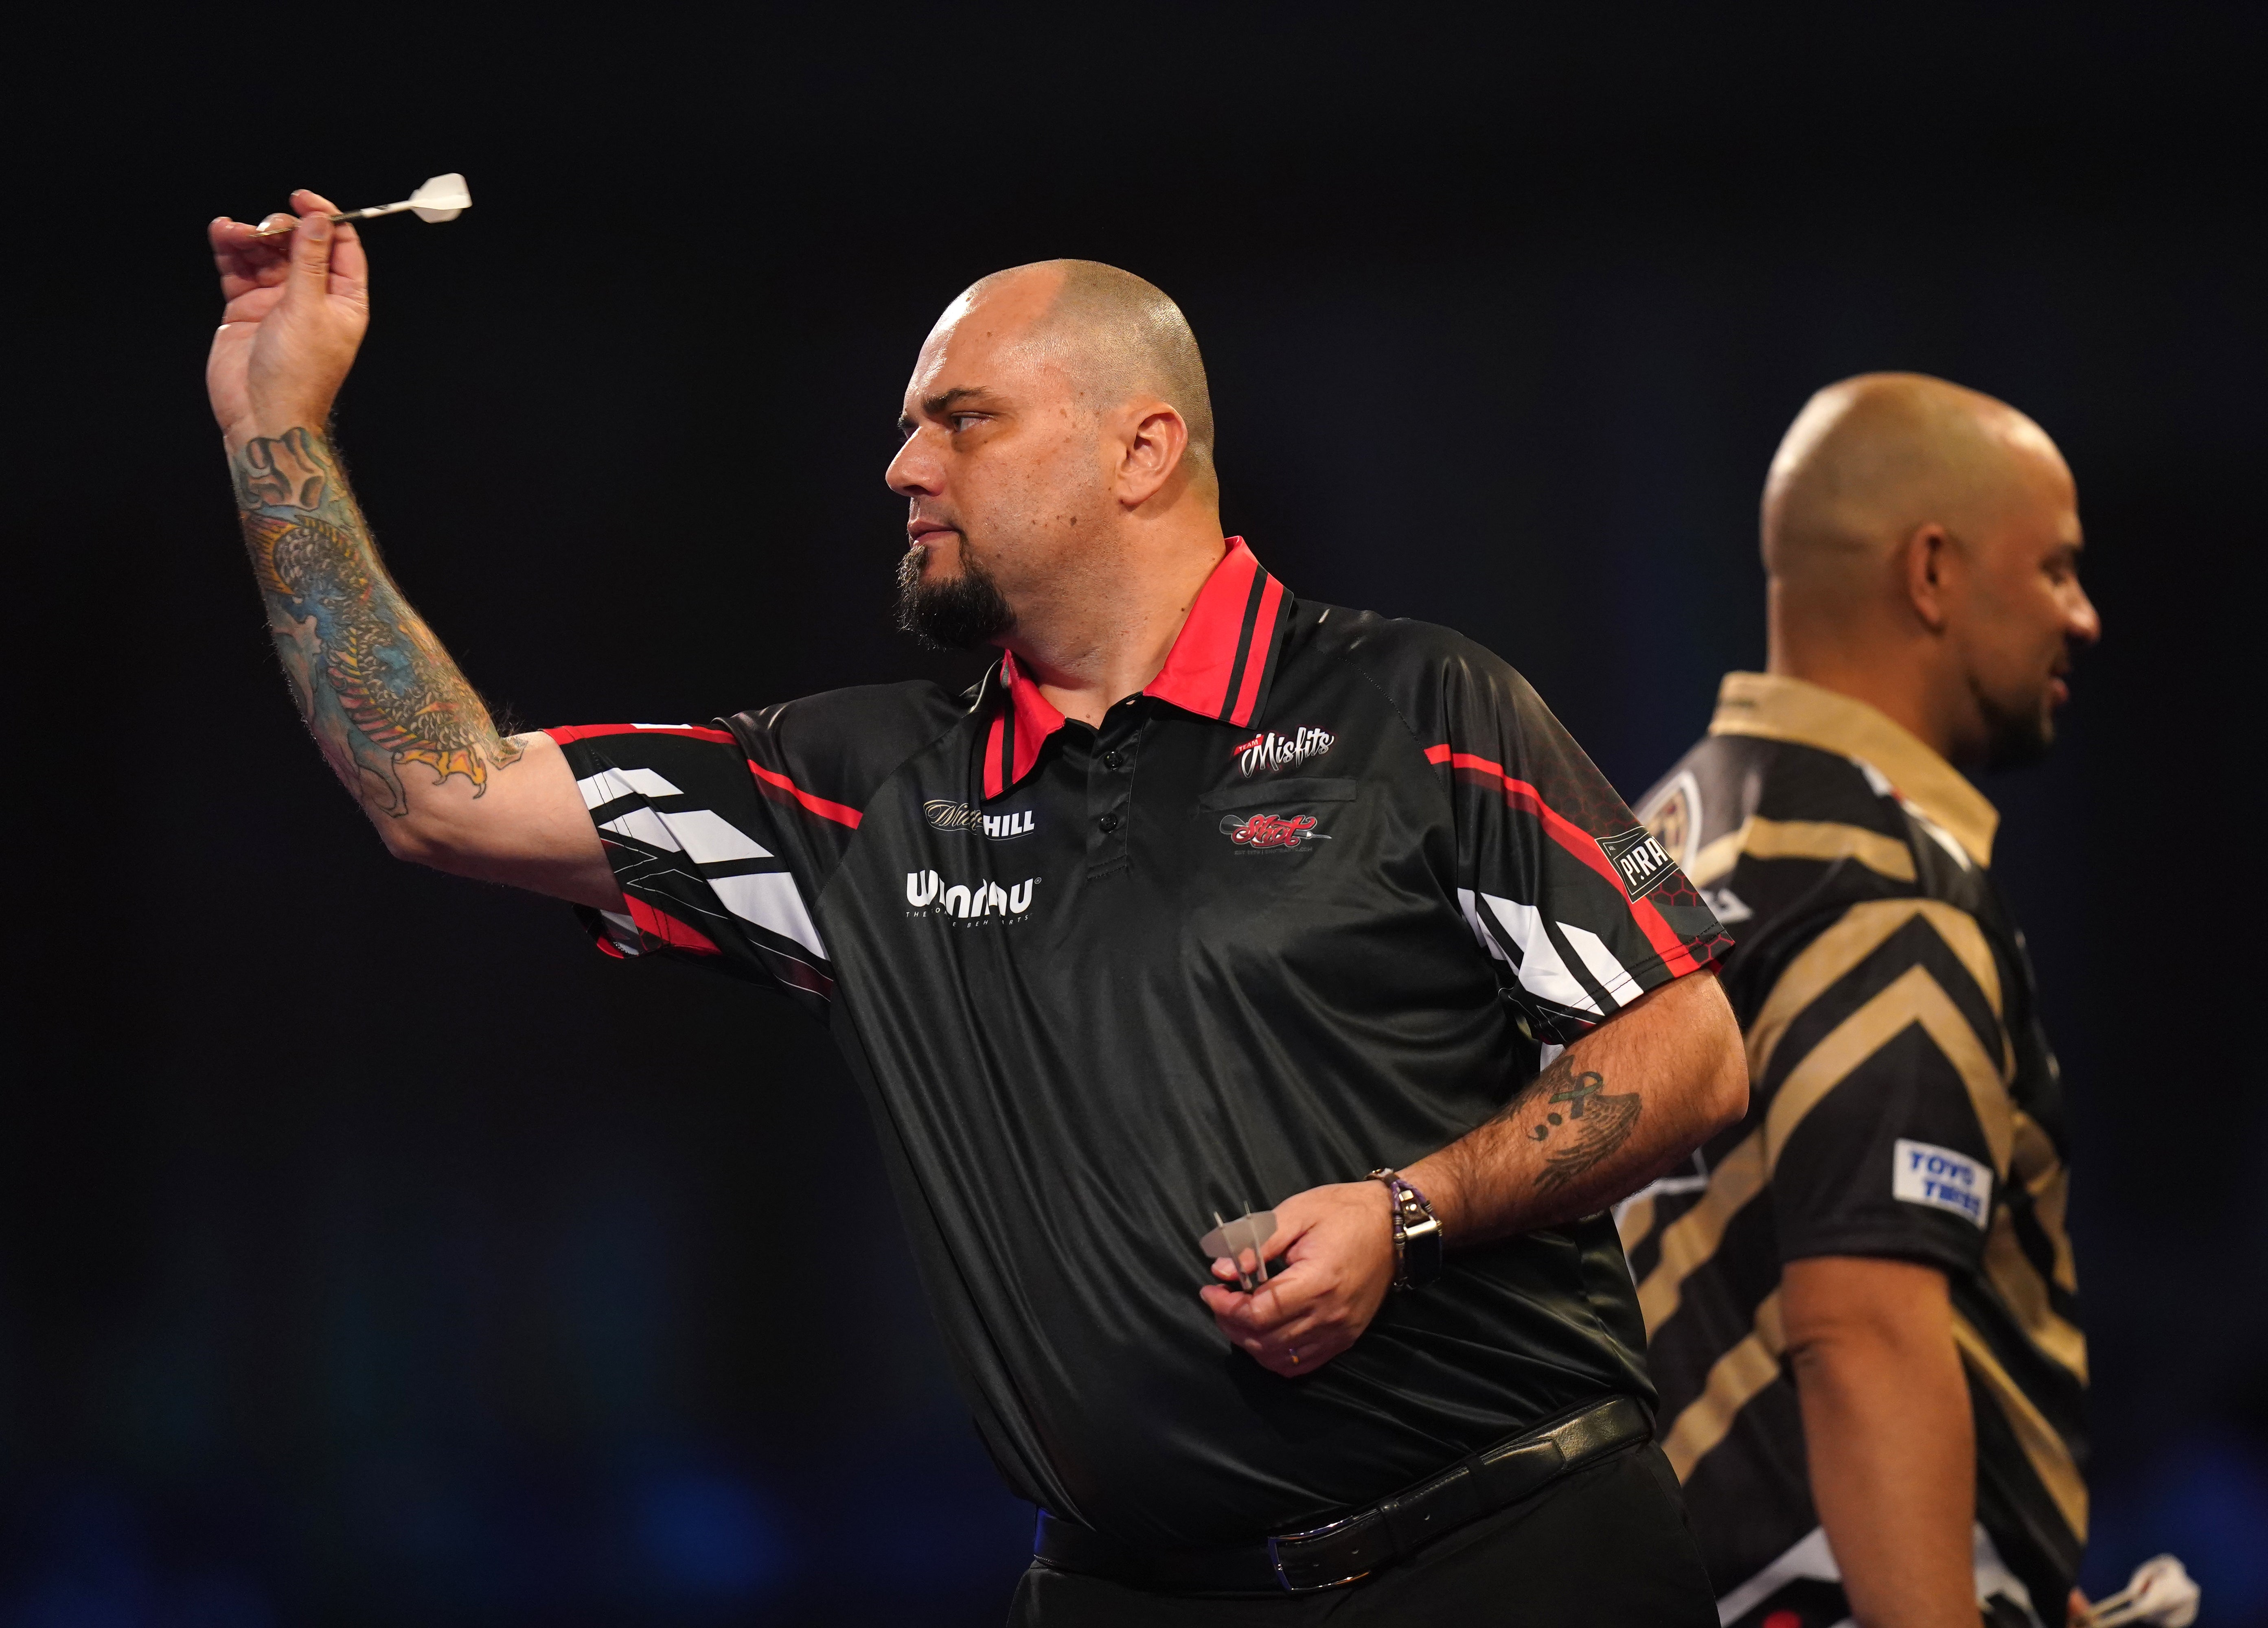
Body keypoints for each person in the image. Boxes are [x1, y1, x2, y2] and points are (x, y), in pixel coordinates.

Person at [207, 192, 1746, 1624]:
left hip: (1514, 1561)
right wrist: (277, 426)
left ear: (1140, 450)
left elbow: (1688, 1045)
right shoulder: (858, 793)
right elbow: (440, 791)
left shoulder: (1418, 704)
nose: (902, 469)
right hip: (1118, 1593)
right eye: (903, 429)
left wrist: (1408, 1211)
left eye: (963, 421)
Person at [1622, 374, 2099, 1628]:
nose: (2084, 617)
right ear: (1930, 573)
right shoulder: (1883, 883)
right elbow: (1864, 1339)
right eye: (2053, 569)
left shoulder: (1651, 847)